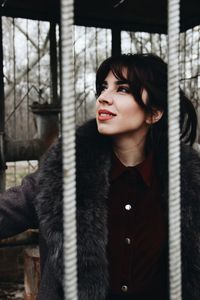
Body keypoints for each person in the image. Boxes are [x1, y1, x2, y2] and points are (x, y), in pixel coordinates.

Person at [0, 53, 200, 300]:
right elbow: (7, 211)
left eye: (123, 89)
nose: (104, 98)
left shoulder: (187, 182)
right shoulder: (65, 172)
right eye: (103, 88)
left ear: (154, 113)